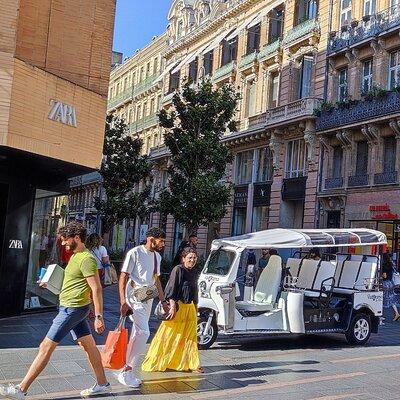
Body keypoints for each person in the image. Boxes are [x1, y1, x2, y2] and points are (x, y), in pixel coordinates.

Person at [0, 222, 111, 399]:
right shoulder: (75, 256)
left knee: (46, 346)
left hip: (72, 310)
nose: (63, 243)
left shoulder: (87, 259)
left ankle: (21, 390)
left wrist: (99, 316)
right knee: (88, 346)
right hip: (74, 307)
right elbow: (71, 282)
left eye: (66, 240)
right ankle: (102, 383)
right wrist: (48, 283)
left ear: (77, 238)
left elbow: (96, 288)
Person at [118, 227, 167, 388]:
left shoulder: (157, 257)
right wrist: (123, 301)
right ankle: (127, 369)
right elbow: (123, 277)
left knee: (137, 333)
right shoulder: (135, 253)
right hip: (133, 296)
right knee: (144, 332)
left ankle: (126, 370)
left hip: (148, 297)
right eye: (161, 240)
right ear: (151, 239)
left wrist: (163, 301)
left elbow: (157, 280)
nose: (163, 244)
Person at [142, 248, 202, 373]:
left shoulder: (195, 272)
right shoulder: (178, 270)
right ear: (183, 258)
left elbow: (195, 292)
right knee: (168, 335)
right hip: (178, 307)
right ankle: (157, 361)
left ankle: (192, 363)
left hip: (189, 308)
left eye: (194, 258)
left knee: (190, 337)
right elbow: (171, 289)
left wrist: (195, 308)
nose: (192, 260)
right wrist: (172, 306)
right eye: (190, 257)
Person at [382, 252, 400, 321]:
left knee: (381, 298)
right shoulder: (391, 264)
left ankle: (380, 316)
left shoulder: (384, 265)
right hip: (390, 283)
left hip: (385, 284)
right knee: (390, 299)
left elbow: (384, 276)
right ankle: (397, 313)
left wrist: (379, 275)